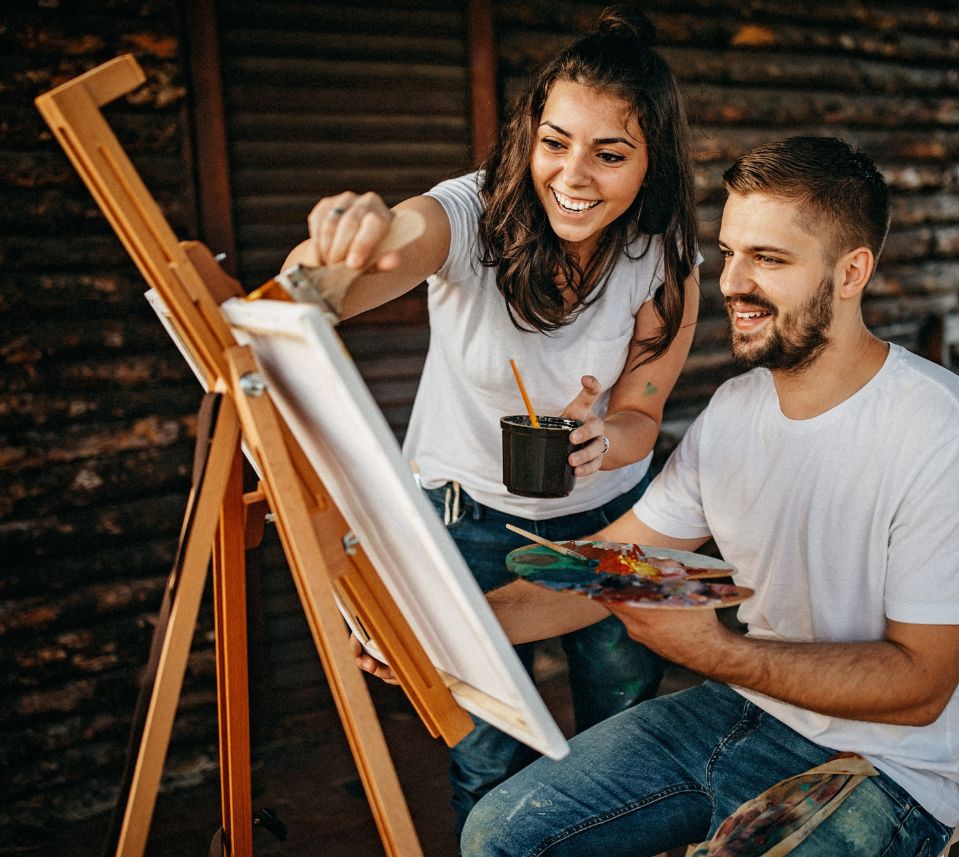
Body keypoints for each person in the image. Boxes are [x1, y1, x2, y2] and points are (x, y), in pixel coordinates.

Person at [448, 136, 959, 856]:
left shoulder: (947, 435)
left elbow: (921, 685)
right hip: (745, 706)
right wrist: (452, 626)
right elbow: (606, 567)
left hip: (892, 766)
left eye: (769, 259)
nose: (731, 283)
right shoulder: (733, 410)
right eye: (730, 253)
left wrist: (716, 651)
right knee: (499, 835)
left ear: (851, 272)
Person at [284, 5, 701, 834]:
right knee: (487, 755)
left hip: (611, 522)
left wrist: (600, 438)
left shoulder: (664, 256)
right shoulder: (468, 216)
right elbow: (348, 276)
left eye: (609, 154)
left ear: (651, 166)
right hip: (464, 520)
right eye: (555, 142)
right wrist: (337, 249)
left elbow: (641, 414)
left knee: (619, 742)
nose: (573, 175)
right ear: (528, 138)